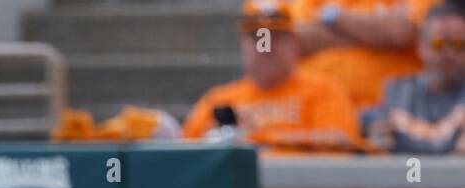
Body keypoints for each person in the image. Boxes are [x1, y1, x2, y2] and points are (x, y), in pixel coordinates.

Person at [184, 1, 362, 152]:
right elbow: (188, 153)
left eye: (274, 37)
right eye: (258, 38)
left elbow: (339, 143)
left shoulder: (325, 91)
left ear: (294, 43)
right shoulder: (218, 100)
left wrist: (254, 140)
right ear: (243, 44)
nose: (266, 47)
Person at [294, 0, 441, 110]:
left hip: (391, 114)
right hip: (312, 113)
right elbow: (286, 40)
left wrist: (335, 17)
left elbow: (403, 33)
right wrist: (371, 32)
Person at [363, 3, 465, 152]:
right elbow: (368, 119)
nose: (449, 53)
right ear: (421, 46)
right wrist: (373, 131)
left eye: (459, 45)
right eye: (439, 43)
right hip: (404, 174)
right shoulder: (396, 91)